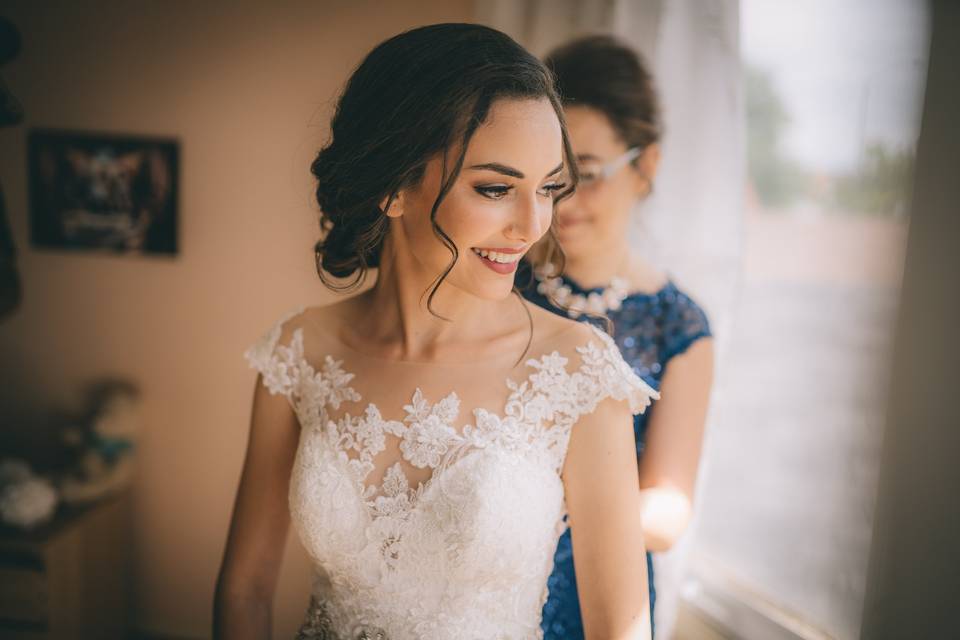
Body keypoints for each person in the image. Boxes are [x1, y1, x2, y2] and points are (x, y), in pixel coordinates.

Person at [214, 24, 660, 640]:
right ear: (394, 185)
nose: (532, 226)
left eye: (549, 189)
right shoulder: (300, 352)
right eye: (497, 189)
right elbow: (244, 591)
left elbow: (623, 632)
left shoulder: (578, 372)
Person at [517, 35, 715, 639]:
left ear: (646, 164)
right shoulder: (503, 283)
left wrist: (529, 498)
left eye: (590, 174)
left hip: (595, 597)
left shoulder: (677, 324)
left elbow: (665, 514)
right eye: (554, 175)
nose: (566, 200)